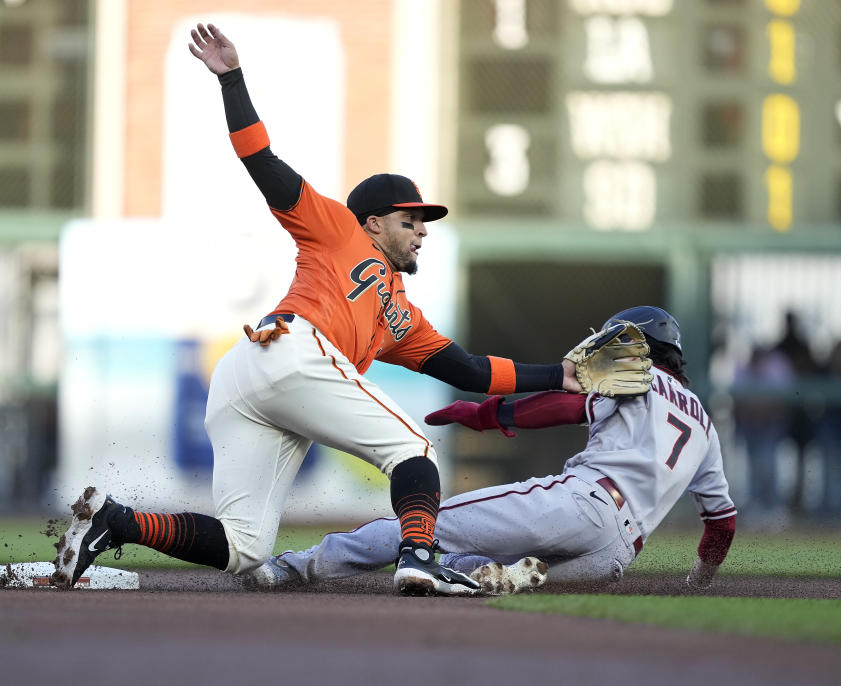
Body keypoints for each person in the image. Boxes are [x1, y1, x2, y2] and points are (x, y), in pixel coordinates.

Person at [51, 23, 597, 595]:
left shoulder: (400, 317)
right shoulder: (336, 227)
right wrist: (232, 79)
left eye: (424, 223)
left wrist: (557, 375)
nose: (420, 232)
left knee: (245, 549)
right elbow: (261, 161)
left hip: (250, 378)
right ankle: (419, 556)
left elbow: (469, 371)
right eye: (408, 219)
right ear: (373, 220)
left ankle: (116, 522)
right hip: (288, 349)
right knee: (413, 447)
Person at [246, 307, 738, 595]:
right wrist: (697, 581)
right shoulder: (706, 427)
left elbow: (564, 407)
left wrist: (487, 414)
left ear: (642, 347)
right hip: (614, 555)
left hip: (581, 504)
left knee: (422, 528)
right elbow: (722, 524)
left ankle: (290, 568)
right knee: (469, 570)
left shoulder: (638, 374)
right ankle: (503, 575)